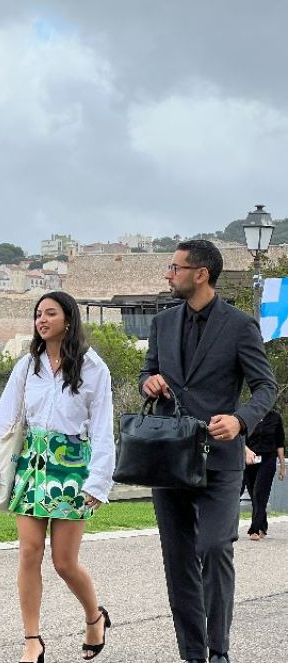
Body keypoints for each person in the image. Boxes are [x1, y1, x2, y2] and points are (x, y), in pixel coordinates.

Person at [140, 239, 276, 663]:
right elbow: (148, 370)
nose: (169, 274)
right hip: (169, 460)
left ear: (201, 274)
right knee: (178, 559)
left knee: (215, 547)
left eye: (175, 267)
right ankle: (193, 654)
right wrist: (149, 381)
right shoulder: (161, 324)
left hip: (220, 460)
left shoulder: (239, 326)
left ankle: (219, 651)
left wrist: (240, 420)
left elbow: (267, 387)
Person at [0, 291, 116, 663]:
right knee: (28, 552)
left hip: (73, 466)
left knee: (64, 563)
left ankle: (94, 617)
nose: (42, 320)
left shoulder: (93, 368)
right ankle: (32, 641)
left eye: (50, 313)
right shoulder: (28, 365)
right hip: (32, 464)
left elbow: (103, 429)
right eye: (38, 314)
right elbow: (4, 418)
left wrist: (98, 482)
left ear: (68, 320)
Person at [244, 409, 286, 541]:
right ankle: (263, 525)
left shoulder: (275, 417)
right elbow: (239, 438)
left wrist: (282, 467)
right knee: (253, 494)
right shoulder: (247, 414)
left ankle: (255, 529)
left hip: (268, 459)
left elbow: (279, 443)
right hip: (250, 459)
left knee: (259, 492)